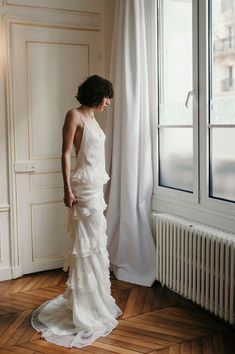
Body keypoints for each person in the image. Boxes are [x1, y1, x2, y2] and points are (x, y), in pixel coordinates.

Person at [31, 75, 122, 348]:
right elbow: (66, 153)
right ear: (97, 94)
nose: (108, 103)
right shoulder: (75, 115)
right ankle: (85, 308)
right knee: (85, 245)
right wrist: (66, 189)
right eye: (107, 97)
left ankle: (94, 301)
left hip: (96, 188)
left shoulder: (94, 118)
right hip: (82, 189)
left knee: (95, 244)